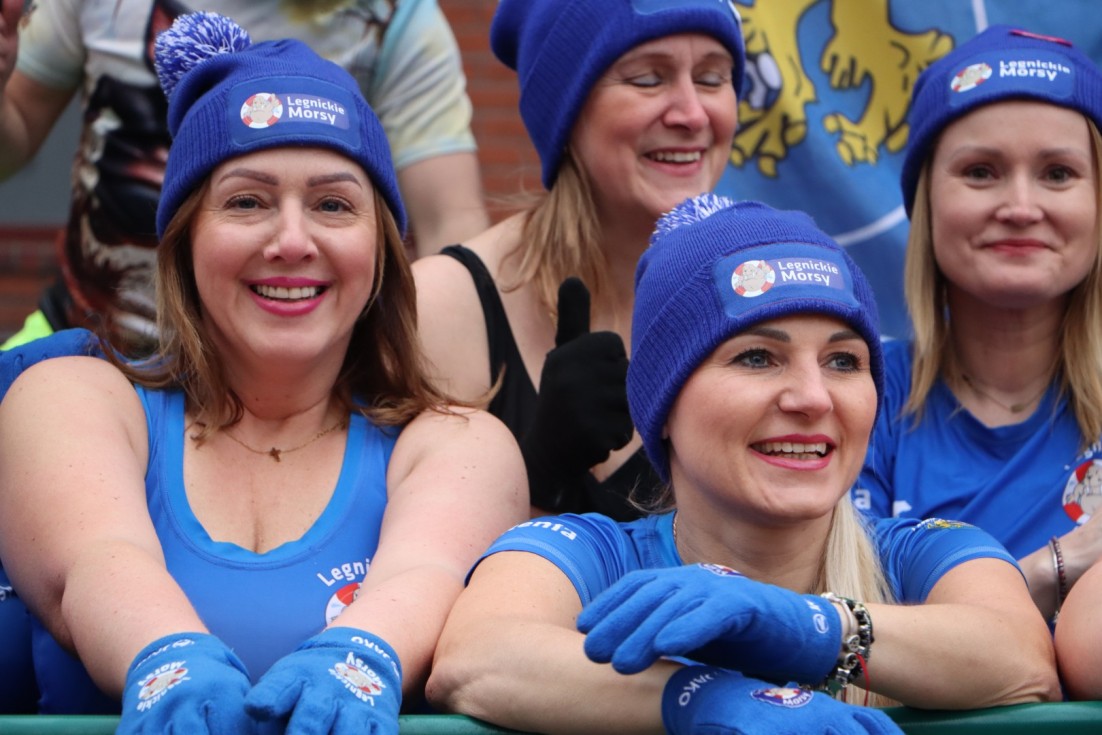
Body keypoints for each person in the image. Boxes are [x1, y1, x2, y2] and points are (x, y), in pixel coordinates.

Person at [0, 12, 526, 731]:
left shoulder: (456, 445)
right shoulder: (71, 399)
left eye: (333, 205)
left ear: (381, 250)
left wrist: (358, 656)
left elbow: (425, 576)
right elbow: (95, 562)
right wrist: (166, 657)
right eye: (247, 201)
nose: (291, 240)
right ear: (185, 241)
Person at [425, 194, 1059, 735]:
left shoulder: (920, 555)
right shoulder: (594, 554)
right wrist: (703, 697)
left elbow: (1023, 660)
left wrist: (812, 629)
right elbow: (474, 660)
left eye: (843, 361)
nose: (812, 398)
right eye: (757, 357)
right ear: (664, 407)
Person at [0, 0, 489, 354]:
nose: (292, 241)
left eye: (332, 204)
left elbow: (451, 225)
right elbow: (12, 144)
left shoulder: (393, 16)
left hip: (297, 380)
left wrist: (436, 384)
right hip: (79, 333)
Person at [413, 0, 744, 520]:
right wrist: (541, 473)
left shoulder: (756, 299)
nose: (692, 113)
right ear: (565, 111)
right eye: (647, 79)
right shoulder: (442, 307)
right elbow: (415, 557)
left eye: (711, 79)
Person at [854, 25, 1102, 626]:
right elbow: (841, 626)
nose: (1020, 207)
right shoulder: (856, 393)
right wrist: (1059, 565)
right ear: (926, 202)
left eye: (1058, 173)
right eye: (981, 171)